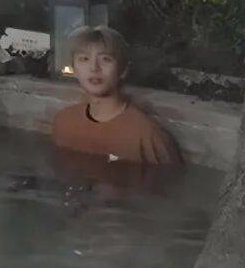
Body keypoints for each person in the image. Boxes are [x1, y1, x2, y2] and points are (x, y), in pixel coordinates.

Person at [52, 25, 183, 166]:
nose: (94, 68)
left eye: (105, 59)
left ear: (123, 70)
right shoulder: (64, 122)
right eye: (84, 59)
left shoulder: (146, 134)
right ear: (74, 69)